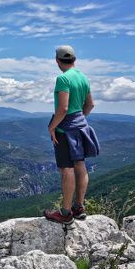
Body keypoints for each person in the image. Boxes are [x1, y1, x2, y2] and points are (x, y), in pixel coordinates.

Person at [44, 45, 99, 225]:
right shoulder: (83, 78)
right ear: (74, 59)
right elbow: (90, 105)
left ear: (57, 61)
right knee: (80, 164)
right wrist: (79, 119)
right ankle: (79, 207)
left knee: (66, 169)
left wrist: (52, 127)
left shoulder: (63, 79)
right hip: (81, 127)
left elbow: (63, 108)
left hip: (65, 129)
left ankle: (65, 213)